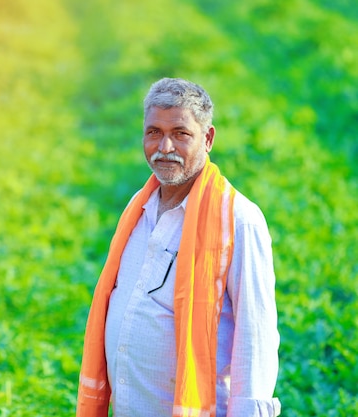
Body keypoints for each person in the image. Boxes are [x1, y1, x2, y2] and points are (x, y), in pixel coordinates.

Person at [76, 78, 281, 417]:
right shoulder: (137, 209)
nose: (165, 146)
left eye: (181, 134)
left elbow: (255, 338)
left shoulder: (239, 219)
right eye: (154, 132)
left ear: (208, 138)